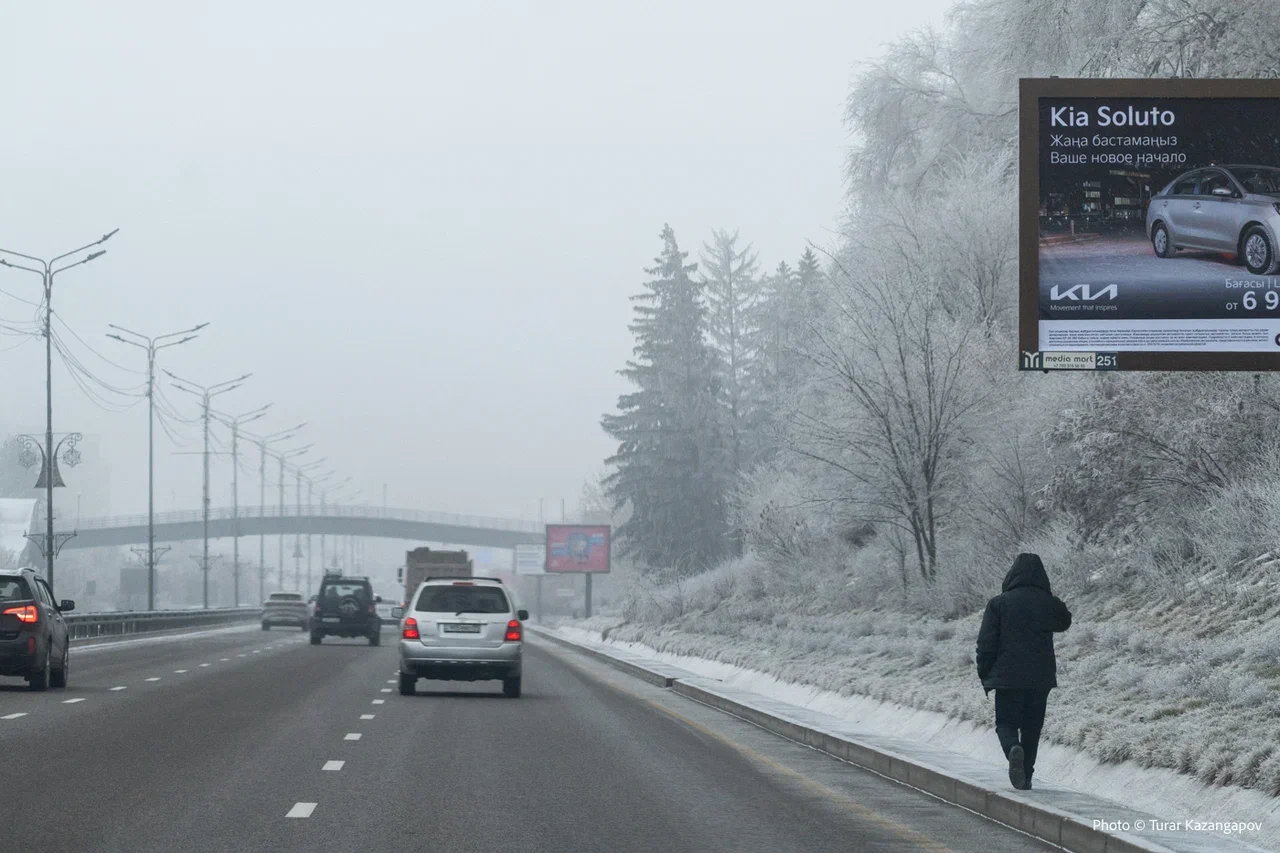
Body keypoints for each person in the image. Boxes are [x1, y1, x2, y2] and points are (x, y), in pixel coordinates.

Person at [975, 553, 1072, 791]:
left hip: (1007, 677)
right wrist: (1048, 598)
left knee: (1006, 724)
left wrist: (984, 672)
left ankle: (1012, 750)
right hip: (1040, 677)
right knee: (1032, 727)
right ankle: (1026, 776)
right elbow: (1064, 621)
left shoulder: (998, 603)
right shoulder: (1047, 602)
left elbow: (986, 643)